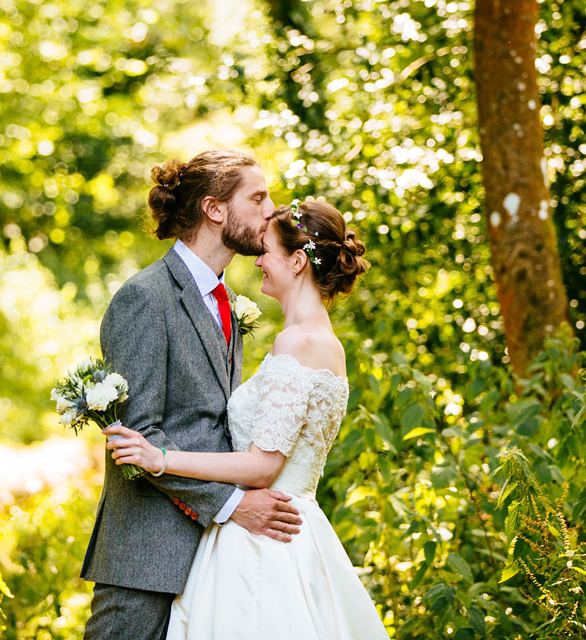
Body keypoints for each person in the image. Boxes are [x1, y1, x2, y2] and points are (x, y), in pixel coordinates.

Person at [105, 199, 389, 639]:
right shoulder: (320, 342)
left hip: (265, 538)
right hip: (285, 527)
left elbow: (262, 467)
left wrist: (159, 457)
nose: (258, 260)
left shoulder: (299, 343)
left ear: (297, 262)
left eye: (267, 252)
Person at [79, 150, 304, 640]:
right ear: (215, 209)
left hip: (218, 558)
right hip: (148, 557)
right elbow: (137, 438)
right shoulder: (146, 298)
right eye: (258, 197)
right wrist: (231, 504)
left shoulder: (226, 301)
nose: (271, 211)